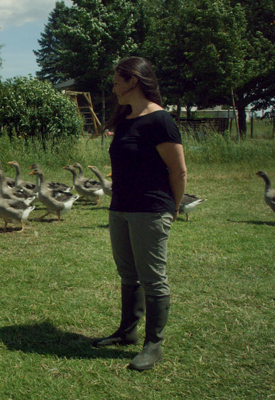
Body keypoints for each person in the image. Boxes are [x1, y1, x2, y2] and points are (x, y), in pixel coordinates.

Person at [92, 57, 187, 371]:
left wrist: (172, 209)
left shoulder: (160, 121)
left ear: (133, 80)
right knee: (128, 274)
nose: (114, 85)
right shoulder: (125, 118)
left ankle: (153, 345)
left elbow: (179, 171)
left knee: (152, 279)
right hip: (120, 208)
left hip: (150, 210)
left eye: (118, 79)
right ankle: (127, 332)